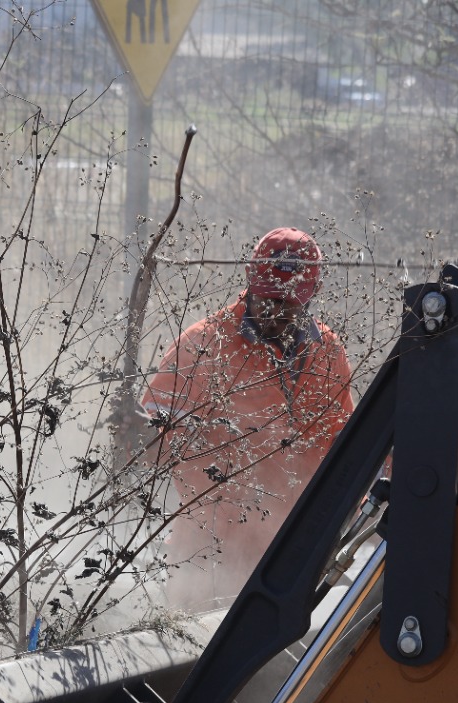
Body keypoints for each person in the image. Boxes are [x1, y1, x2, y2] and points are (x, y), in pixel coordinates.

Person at [141, 227, 356, 609]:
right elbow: (152, 442)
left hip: (295, 552)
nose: (276, 313)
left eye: (288, 303)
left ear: (312, 295)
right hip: (209, 554)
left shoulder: (328, 352)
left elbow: (344, 444)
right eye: (269, 300)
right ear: (250, 283)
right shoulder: (202, 345)